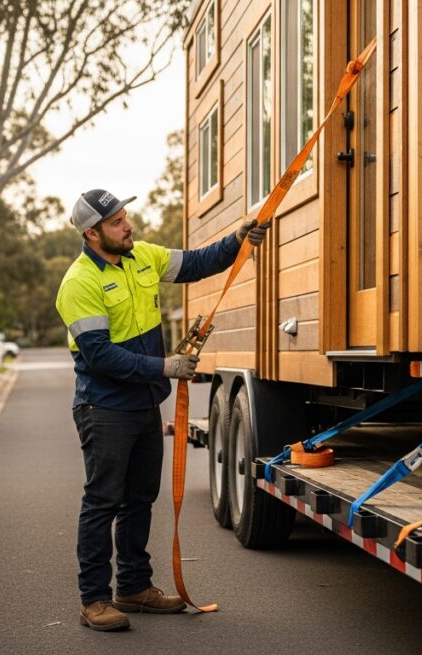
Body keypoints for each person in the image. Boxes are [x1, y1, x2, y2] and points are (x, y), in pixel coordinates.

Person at [55, 189, 267, 631]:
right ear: (92, 234)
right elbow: (100, 356)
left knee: (139, 500)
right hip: (105, 408)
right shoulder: (79, 283)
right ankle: (94, 599)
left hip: (144, 405)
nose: (127, 225)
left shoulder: (142, 257)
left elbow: (196, 263)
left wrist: (237, 240)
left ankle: (133, 587)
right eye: (116, 222)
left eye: (125, 216)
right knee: (102, 502)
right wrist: (166, 366)